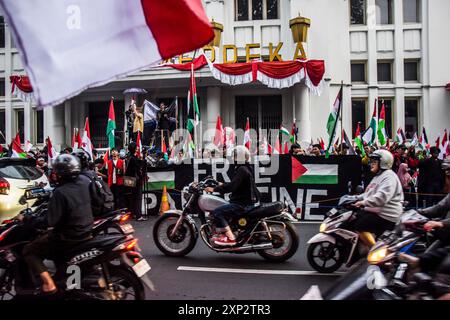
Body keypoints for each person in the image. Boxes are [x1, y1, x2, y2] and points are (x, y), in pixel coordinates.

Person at [22, 154, 93, 294]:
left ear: (61, 174)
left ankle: (49, 284)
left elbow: (49, 221)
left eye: (56, 172)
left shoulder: (60, 192)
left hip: (68, 237)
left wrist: (27, 219)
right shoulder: (84, 183)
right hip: (85, 231)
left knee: (29, 251)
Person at [344, 149, 404, 246]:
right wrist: (355, 198)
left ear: (383, 163)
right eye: (371, 161)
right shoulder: (378, 176)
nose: (371, 164)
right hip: (376, 211)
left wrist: (363, 203)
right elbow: (369, 194)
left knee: (360, 226)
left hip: (387, 215)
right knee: (351, 220)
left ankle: (374, 251)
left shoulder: (389, 177)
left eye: (374, 162)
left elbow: (382, 197)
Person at [205, 146, 259, 246]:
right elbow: (236, 184)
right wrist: (221, 184)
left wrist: (214, 189)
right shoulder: (245, 168)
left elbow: (232, 187)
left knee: (217, 212)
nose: (233, 158)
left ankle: (230, 238)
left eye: (235, 156)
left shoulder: (242, 169)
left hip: (241, 204)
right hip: (245, 201)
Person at [125, 142, 145, 221]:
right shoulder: (133, 158)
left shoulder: (128, 157)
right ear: (134, 148)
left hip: (128, 179)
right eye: (136, 147)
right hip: (134, 180)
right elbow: (138, 169)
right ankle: (138, 215)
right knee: (137, 198)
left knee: (132, 198)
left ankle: (133, 214)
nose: (137, 148)